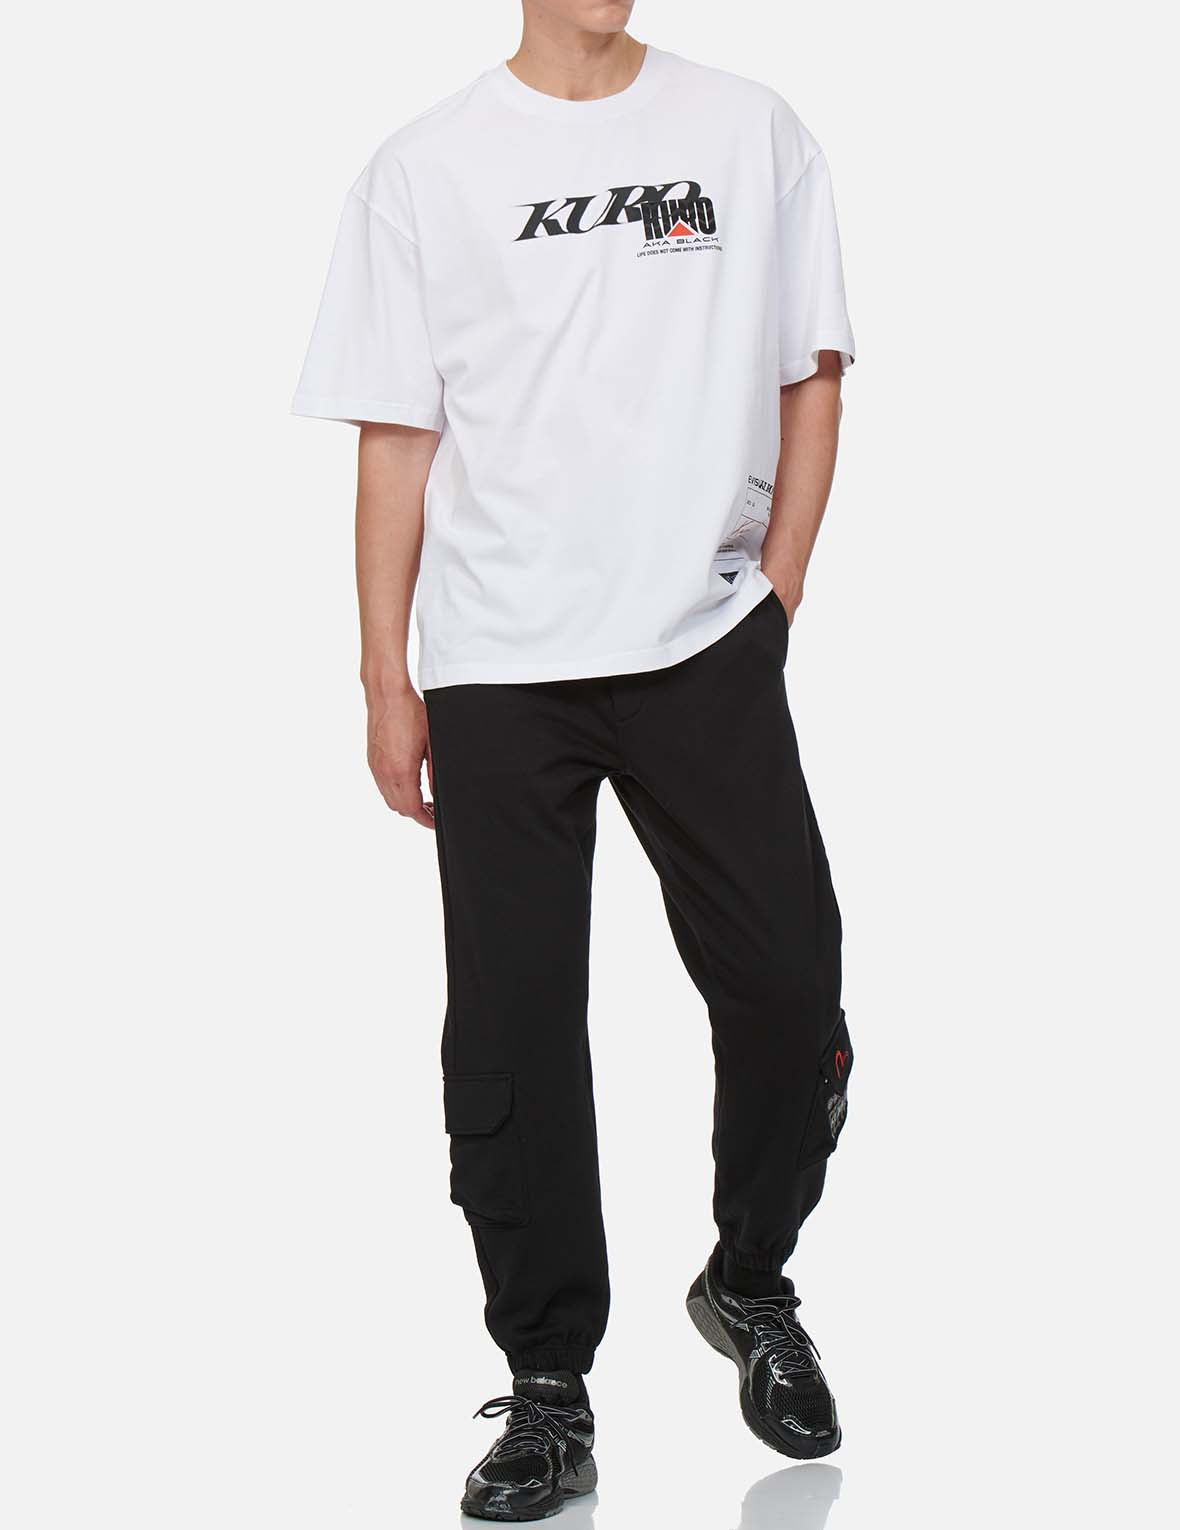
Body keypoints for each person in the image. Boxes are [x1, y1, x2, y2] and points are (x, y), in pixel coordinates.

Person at [294, 1, 856, 1519]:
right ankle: (549, 1384)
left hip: (702, 641)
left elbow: (813, 372)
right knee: (515, 1025)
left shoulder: (749, 130)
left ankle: (751, 1279)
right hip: (499, 663)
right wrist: (386, 674)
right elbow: (397, 436)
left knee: (788, 984)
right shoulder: (423, 169)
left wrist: (776, 594)